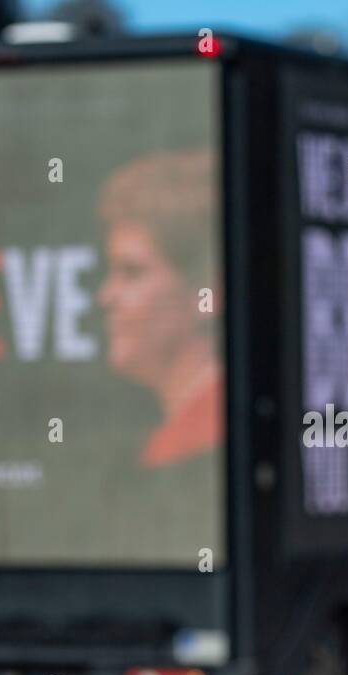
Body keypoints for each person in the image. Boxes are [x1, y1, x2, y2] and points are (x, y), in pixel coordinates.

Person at [95, 149, 223, 469]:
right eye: (111, 273)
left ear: (208, 294)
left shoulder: (194, 445)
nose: (106, 296)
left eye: (132, 273)